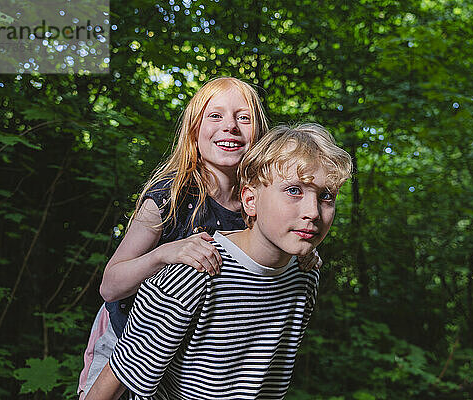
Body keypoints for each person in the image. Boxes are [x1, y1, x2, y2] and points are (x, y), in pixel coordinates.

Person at [78, 78, 321, 398]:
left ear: (258, 134)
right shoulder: (168, 196)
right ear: (194, 130)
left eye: (243, 117)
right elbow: (109, 286)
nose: (230, 126)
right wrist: (163, 253)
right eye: (215, 116)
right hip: (124, 336)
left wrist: (303, 253)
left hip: (191, 353)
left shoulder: (265, 204)